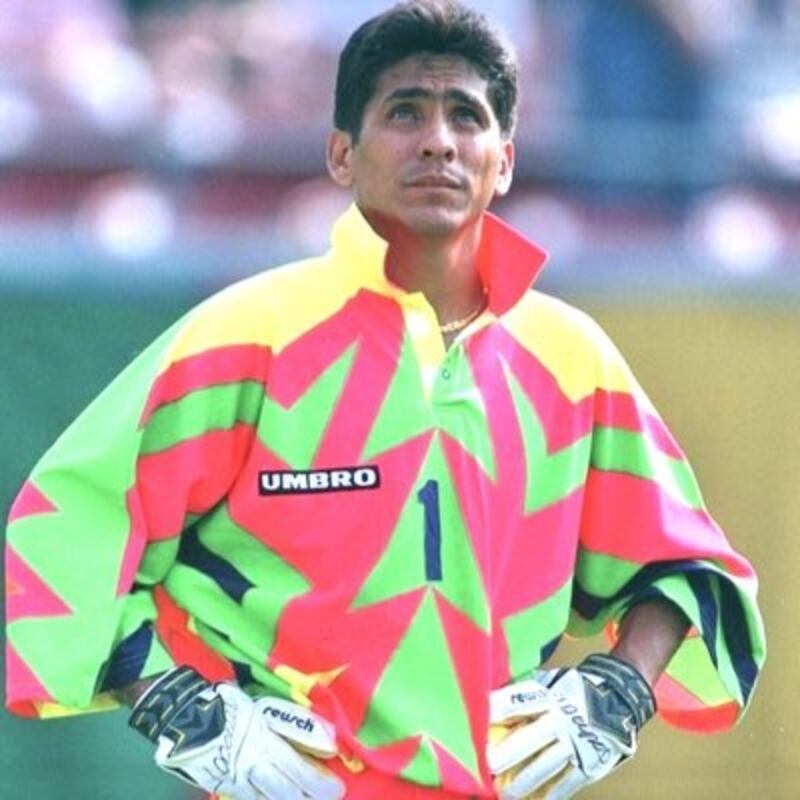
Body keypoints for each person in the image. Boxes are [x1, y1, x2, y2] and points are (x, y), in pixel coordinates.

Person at [4, 2, 765, 799]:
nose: (438, 140)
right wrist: (175, 705)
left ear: (505, 160)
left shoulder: (573, 358)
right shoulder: (244, 334)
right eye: (405, 111)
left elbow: (688, 569)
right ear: (341, 153)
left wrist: (620, 689)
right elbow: (65, 529)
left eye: (466, 116)